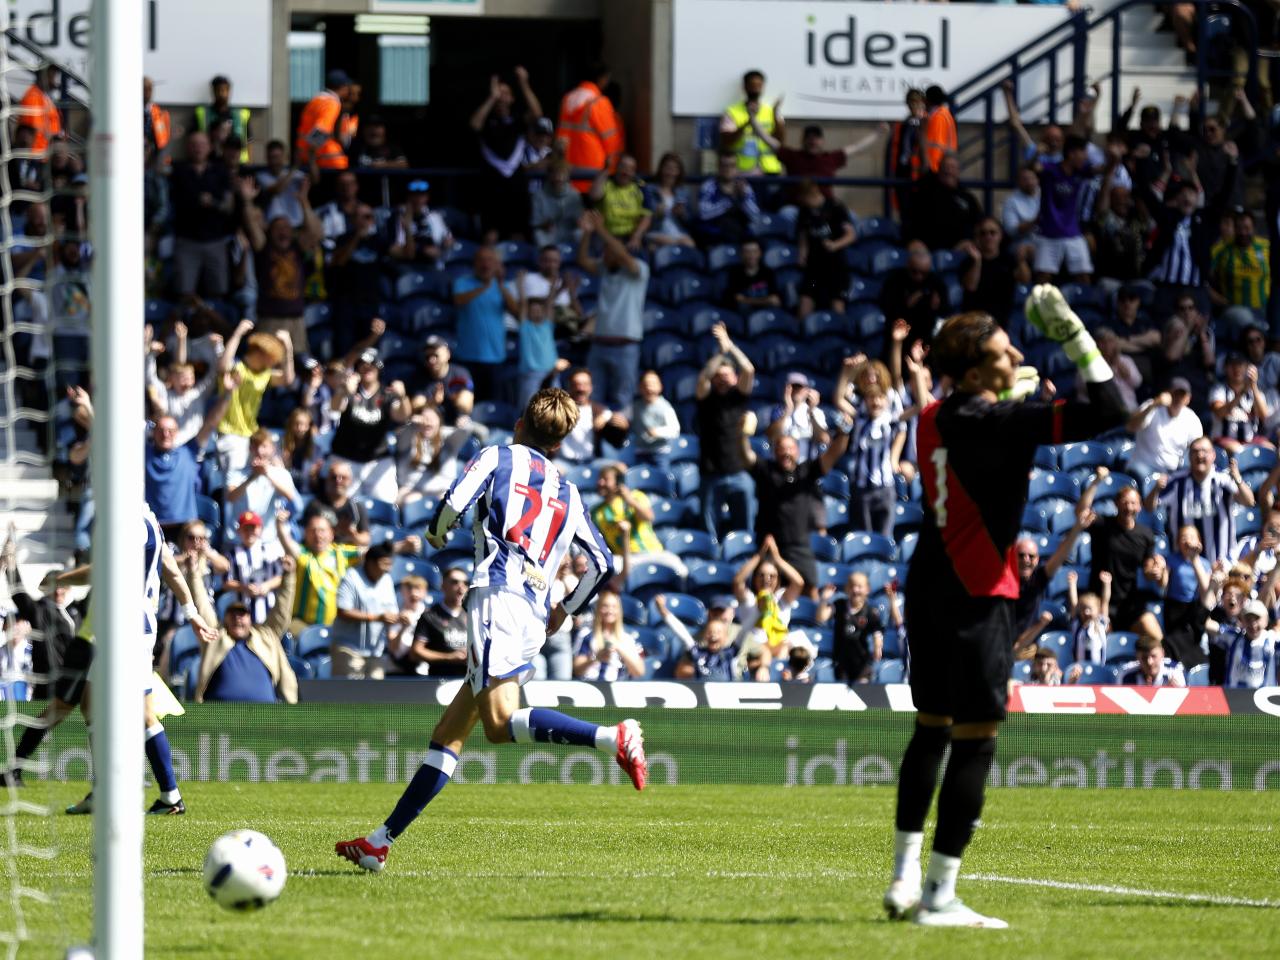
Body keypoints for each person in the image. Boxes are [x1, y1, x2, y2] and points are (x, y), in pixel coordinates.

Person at [883, 287, 1127, 927]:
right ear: (972, 371)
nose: (1015, 352)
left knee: (929, 729)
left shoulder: (933, 416)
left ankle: (904, 877)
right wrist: (1074, 335)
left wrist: (1014, 391)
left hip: (926, 586)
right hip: (979, 594)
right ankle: (938, 896)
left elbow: (975, 418)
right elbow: (1110, 406)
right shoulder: (1001, 423)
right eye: (1001, 351)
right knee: (975, 741)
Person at [335, 388, 648, 873]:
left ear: (520, 423)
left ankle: (612, 737)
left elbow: (452, 502)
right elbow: (603, 563)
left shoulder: (498, 456)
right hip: (533, 611)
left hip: (496, 594)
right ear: (561, 444)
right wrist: (565, 609)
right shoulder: (569, 489)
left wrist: (438, 532)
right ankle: (379, 842)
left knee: (501, 726)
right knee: (450, 732)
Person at [63, 504, 222, 816]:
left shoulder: (129, 520)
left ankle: (170, 796)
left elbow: (105, 570)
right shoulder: (148, 519)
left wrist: (62, 579)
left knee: (143, 712)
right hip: (127, 625)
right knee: (91, 703)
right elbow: (170, 567)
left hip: (130, 625)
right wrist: (191, 613)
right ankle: (104, 791)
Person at [0, 537, 87, 785]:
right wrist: (11, 562)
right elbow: (19, 596)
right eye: (54, 585)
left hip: (81, 678)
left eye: (64, 585)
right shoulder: (40, 610)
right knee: (44, 721)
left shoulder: (77, 612)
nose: (59, 590)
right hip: (53, 682)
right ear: (46, 588)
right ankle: (15, 768)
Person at [187, 554, 298, 703]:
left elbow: (283, 609)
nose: (237, 618)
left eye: (242, 614)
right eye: (232, 614)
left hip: (265, 718)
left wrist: (289, 576)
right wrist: (193, 573)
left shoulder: (266, 636)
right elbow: (200, 602)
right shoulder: (214, 635)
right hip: (219, 717)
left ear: (250, 619)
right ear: (225, 619)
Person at [576, 210, 649, 416]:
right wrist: (587, 233)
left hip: (626, 345)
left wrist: (601, 229)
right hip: (599, 343)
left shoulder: (639, 270)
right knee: (591, 399)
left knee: (623, 399)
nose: (604, 254)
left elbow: (623, 254)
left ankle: (620, 443)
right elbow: (582, 260)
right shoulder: (604, 269)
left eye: (608, 250)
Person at [1148, 436, 1254, 565]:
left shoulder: (1224, 479)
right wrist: (1156, 489)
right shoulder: (1176, 482)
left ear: (1213, 455)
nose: (1200, 455)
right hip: (1185, 565)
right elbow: (1149, 507)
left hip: (1222, 563)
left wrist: (1238, 480)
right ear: (1189, 457)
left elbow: (1249, 502)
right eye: (1195, 451)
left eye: (1204, 451)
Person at [696, 324, 756, 537]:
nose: (723, 380)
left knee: (745, 527)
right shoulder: (706, 399)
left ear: (734, 377)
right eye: (719, 376)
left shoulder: (738, 397)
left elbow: (748, 369)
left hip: (739, 472)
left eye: (727, 375)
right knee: (708, 530)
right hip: (711, 474)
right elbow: (703, 378)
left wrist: (729, 347)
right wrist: (720, 355)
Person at [469, 68, 543, 239]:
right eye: (498, 93)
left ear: (512, 98)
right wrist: (492, 97)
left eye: (505, 93)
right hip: (491, 188)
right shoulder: (487, 121)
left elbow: (537, 113)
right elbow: (474, 125)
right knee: (490, 236)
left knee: (518, 235)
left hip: (516, 187)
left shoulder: (518, 120)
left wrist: (524, 83)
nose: (501, 97)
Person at [453, 246, 519, 403]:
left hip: (495, 357)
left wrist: (500, 285)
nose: (485, 264)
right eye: (481, 260)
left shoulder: (502, 286)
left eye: (490, 260)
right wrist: (485, 286)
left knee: (492, 404)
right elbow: (458, 301)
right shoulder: (462, 282)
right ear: (474, 263)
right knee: (468, 402)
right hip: (468, 356)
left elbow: (516, 312)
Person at [330, 541, 401, 679]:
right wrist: (376, 618)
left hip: (376, 652)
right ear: (370, 562)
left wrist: (398, 618)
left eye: (390, 564)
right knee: (348, 697)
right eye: (384, 564)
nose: (388, 569)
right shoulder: (351, 577)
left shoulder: (386, 581)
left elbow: (391, 611)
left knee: (375, 697)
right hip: (349, 649)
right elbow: (343, 611)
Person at [555, 62, 623, 192]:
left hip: (568, 174)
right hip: (593, 176)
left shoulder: (567, 99)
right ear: (602, 78)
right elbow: (612, 144)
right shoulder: (600, 103)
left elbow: (561, 137)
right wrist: (613, 174)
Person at [795, 180, 855, 320]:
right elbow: (803, 234)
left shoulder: (835, 207)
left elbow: (851, 235)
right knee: (805, 301)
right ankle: (804, 337)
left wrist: (835, 244)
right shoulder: (804, 211)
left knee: (837, 305)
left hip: (835, 268)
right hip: (814, 269)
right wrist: (802, 253)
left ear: (811, 194)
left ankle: (841, 337)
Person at [1125, 380, 1203, 480]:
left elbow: (1197, 445)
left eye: (1182, 395)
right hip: (1143, 466)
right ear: (1167, 394)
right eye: (1175, 394)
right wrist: (1154, 404)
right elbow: (1130, 427)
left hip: (1171, 471)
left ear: (1188, 399)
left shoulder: (1191, 419)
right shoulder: (1152, 407)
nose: (1178, 398)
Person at [403, 567, 471, 677]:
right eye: (454, 582)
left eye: (465, 583)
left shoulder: (472, 615)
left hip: (468, 680)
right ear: (443, 585)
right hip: (439, 679)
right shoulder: (430, 616)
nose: (461, 587)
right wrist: (449, 657)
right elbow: (415, 653)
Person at [222, 511, 286, 625]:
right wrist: (244, 588)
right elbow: (226, 582)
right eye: (246, 529)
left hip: (269, 610)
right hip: (242, 612)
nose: (249, 532)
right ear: (239, 531)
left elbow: (281, 577)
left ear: (260, 530)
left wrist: (267, 586)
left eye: (253, 528)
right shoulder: (232, 554)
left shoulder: (271, 551)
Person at [821, 571, 883, 683]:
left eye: (859, 586)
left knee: (862, 688)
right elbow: (821, 617)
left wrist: (877, 646)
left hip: (862, 663)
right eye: (852, 586)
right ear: (846, 588)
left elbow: (877, 632)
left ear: (867, 589)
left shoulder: (870, 612)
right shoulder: (839, 605)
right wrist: (824, 600)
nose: (855, 590)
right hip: (841, 662)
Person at [720, 70, 783, 176]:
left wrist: (775, 114)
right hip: (743, 170)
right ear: (745, 87)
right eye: (752, 85)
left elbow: (781, 141)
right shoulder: (732, 112)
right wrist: (749, 122)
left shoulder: (770, 111)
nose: (755, 88)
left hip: (770, 170)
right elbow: (727, 141)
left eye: (759, 85)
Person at [573, 591, 644, 681]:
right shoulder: (586, 635)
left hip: (617, 688)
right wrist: (596, 658)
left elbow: (639, 671)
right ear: (598, 609)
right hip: (590, 684)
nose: (610, 611)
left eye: (614, 607)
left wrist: (619, 648)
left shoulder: (627, 639)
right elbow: (577, 669)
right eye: (605, 606)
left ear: (619, 610)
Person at [695, 152, 760, 246]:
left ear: (736, 168)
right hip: (716, 233)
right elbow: (704, 213)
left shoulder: (744, 186)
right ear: (718, 167)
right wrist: (729, 200)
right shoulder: (709, 186)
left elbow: (755, 215)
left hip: (740, 232)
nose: (728, 169)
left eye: (732, 166)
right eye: (724, 165)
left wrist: (743, 198)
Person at [295, 69, 353, 172]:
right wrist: (312, 160)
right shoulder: (332, 103)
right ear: (342, 87)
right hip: (326, 161)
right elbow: (322, 129)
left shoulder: (315, 101)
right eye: (347, 87)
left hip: (306, 158)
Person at [589, 154, 650, 250]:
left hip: (630, 237)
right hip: (605, 237)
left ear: (634, 172)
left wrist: (636, 236)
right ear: (617, 168)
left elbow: (647, 216)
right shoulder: (606, 183)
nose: (626, 171)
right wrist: (606, 169)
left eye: (630, 169)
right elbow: (594, 195)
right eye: (623, 167)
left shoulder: (640, 188)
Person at [642, 152, 696, 248]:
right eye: (667, 167)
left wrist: (682, 214)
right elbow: (645, 218)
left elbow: (690, 220)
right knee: (656, 247)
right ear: (661, 169)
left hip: (678, 232)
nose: (670, 172)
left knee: (690, 245)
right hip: (656, 231)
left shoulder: (683, 192)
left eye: (674, 168)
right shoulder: (650, 190)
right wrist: (657, 214)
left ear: (679, 172)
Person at [194, 74, 251, 163]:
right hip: (211, 162)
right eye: (218, 90)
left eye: (224, 90)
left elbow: (249, 141)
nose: (221, 94)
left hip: (236, 163)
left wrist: (249, 162)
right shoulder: (202, 114)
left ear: (229, 91)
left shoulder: (241, 115)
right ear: (213, 91)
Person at [630, 370, 681, 467]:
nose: (649, 388)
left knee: (663, 477)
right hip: (640, 452)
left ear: (660, 386)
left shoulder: (665, 407)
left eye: (653, 384)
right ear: (640, 388)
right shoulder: (635, 407)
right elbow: (623, 418)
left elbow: (675, 430)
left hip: (660, 452)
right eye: (645, 385)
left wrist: (657, 432)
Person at [1225, 599, 1278, 688]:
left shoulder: (1273, 639)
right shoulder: (1233, 637)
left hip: (1264, 698)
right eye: (1248, 619)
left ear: (1266, 621)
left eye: (1257, 619)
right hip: (1233, 697)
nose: (1253, 624)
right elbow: (1207, 625)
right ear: (1242, 621)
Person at [531, 161, 584, 248]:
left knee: (579, 234)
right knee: (538, 235)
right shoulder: (539, 195)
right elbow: (535, 222)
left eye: (562, 174)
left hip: (568, 230)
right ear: (550, 175)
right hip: (549, 232)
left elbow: (579, 220)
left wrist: (580, 222)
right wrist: (545, 225)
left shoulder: (574, 194)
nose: (559, 178)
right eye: (555, 173)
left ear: (567, 176)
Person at [722, 238, 780, 311]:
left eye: (754, 251)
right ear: (742, 254)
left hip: (765, 312)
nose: (751, 255)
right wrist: (764, 301)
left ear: (760, 253)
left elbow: (775, 300)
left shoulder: (768, 273)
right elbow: (737, 300)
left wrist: (747, 300)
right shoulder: (734, 274)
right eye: (747, 252)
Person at [1065, 569, 1111, 663]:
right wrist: (1072, 584)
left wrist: (1107, 584)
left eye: (1090, 609)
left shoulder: (1101, 623)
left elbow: (1105, 601)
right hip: (1080, 669)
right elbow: (1074, 604)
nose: (1086, 612)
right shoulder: (1077, 625)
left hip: (1098, 670)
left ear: (1098, 610)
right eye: (1083, 609)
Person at [1118, 635, 1186, 686]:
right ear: (1137, 657)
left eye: (1154, 656)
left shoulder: (1174, 670)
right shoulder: (1127, 674)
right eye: (1144, 658)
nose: (1149, 662)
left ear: (1162, 653)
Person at [922, 85, 957, 173]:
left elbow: (936, 146)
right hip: (941, 167)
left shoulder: (938, 117)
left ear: (927, 100)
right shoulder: (944, 114)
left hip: (936, 169)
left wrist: (932, 169)